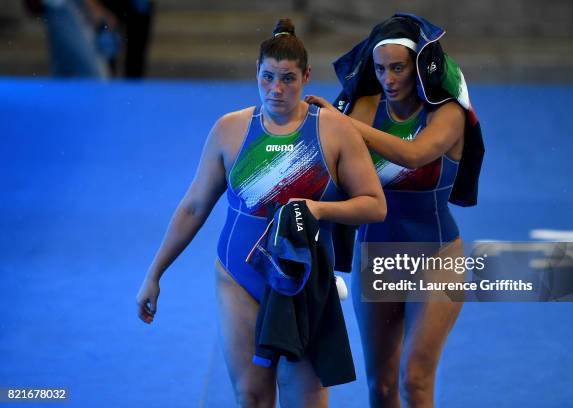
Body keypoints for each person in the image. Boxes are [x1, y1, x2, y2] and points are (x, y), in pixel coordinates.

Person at [136, 18, 386, 408]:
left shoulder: (335, 132)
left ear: (306, 76)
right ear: (257, 73)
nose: (276, 89)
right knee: (251, 397)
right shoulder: (230, 130)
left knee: (306, 401)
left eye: (288, 78)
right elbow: (193, 207)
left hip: (303, 279)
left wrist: (319, 208)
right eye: (268, 77)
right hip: (239, 275)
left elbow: (374, 204)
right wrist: (154, 274)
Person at [306, 14, 483, 408]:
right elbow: (332, 159)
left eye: (398, 68)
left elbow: (416, 155)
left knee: (416, 380)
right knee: (381, 389)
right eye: (380, 68)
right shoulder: (366, 106)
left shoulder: (447, 113)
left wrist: (343, 124)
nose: (388, 79)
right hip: (377, 261)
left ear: (419, 67)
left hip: (436, 257)